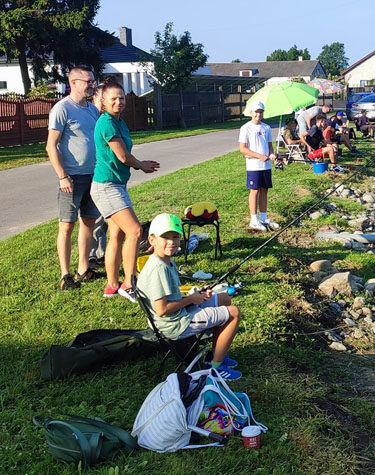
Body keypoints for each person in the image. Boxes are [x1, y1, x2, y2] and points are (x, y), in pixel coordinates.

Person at [138, 213, 243, 380]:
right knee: (234, 313)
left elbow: (172, 297)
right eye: (165, 237)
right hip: (174, 324)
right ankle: (215, 369)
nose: (171, 242)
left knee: (224, 299)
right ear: (152, 240)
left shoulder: (166, 261)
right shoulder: (158, 269)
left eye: (175, 236)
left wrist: (196, 295)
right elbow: (162, 310)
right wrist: (191, 300)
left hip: (179, 313)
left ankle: (216, 353)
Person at [89, 77, 160, 301]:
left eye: (121, 98)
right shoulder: (106, 122)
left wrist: (139, 164)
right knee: (136, 232)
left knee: (117, 235)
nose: (118, 101)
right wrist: (142, 165)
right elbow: (122, 156)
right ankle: (129, 284)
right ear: (103, 102)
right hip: (107, 186)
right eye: (113, 98)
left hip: (116, 184)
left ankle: (111, 285)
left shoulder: (119, 122)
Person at [46, 66, 101, 290]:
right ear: (75, 82)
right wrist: (62, 176)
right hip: (71, 178)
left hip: (93, 175)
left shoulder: (91, 110)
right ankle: (65, 275)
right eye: (88, 81)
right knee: (66, 226)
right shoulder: (62, 109)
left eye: (93, 81)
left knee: (88, 222)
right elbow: (51, 146)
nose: (92, 84)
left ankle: (83, 268)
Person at [239, 101, 279, 232]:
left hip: (266, 166)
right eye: (256, 112)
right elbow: (243, 149)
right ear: (251, 113)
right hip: (253, 166)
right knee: (254, 191)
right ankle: (253, 219)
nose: (258, 114)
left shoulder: (266, 128)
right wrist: (259, 156)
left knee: (264, 190)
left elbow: (269, 147)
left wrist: (272, 155)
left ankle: (263, 217)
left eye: (261, 112)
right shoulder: (246, 128)